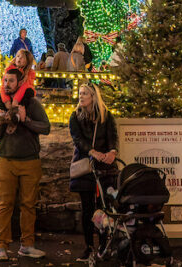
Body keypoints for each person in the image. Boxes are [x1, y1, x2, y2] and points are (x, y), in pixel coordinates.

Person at [0, 68, 51, 261]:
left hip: (30, 161)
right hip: (6, 160)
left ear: (19, 82)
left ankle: (27, 245)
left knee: (28, 205)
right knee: (4, 204)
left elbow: (46, 128)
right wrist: (0, 123)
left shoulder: (31, 103)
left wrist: (26, 120)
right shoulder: (0, 104)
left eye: (11, 81)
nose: (7, 84)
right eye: (5, 80)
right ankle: (1, 247)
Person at [69, 82, 118, 262]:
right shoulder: (75, 117)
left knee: (105, 208)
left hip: (105, 168)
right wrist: (92, 151)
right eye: (80, 94)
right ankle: (89, 246)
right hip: (86, 167)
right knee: (88, 208)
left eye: (85, 94)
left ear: (93, 97)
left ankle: (104, 245)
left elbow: (113, 136)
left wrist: (112, 152)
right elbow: (77, 140)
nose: (81, 97)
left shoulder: (106, 116)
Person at [0, 50, 37, 132]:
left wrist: (16, 100)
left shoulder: (29, 73)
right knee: (0, 95)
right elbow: (3, 86)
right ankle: (2, 113)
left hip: (21, 96)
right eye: (18, 56)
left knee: (29, 92)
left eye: (22, 57)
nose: (19, 59)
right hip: (11, 94)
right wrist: (6, 101)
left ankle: (20, 114)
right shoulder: (9, 70)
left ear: (27, 61)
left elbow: (25, 87)